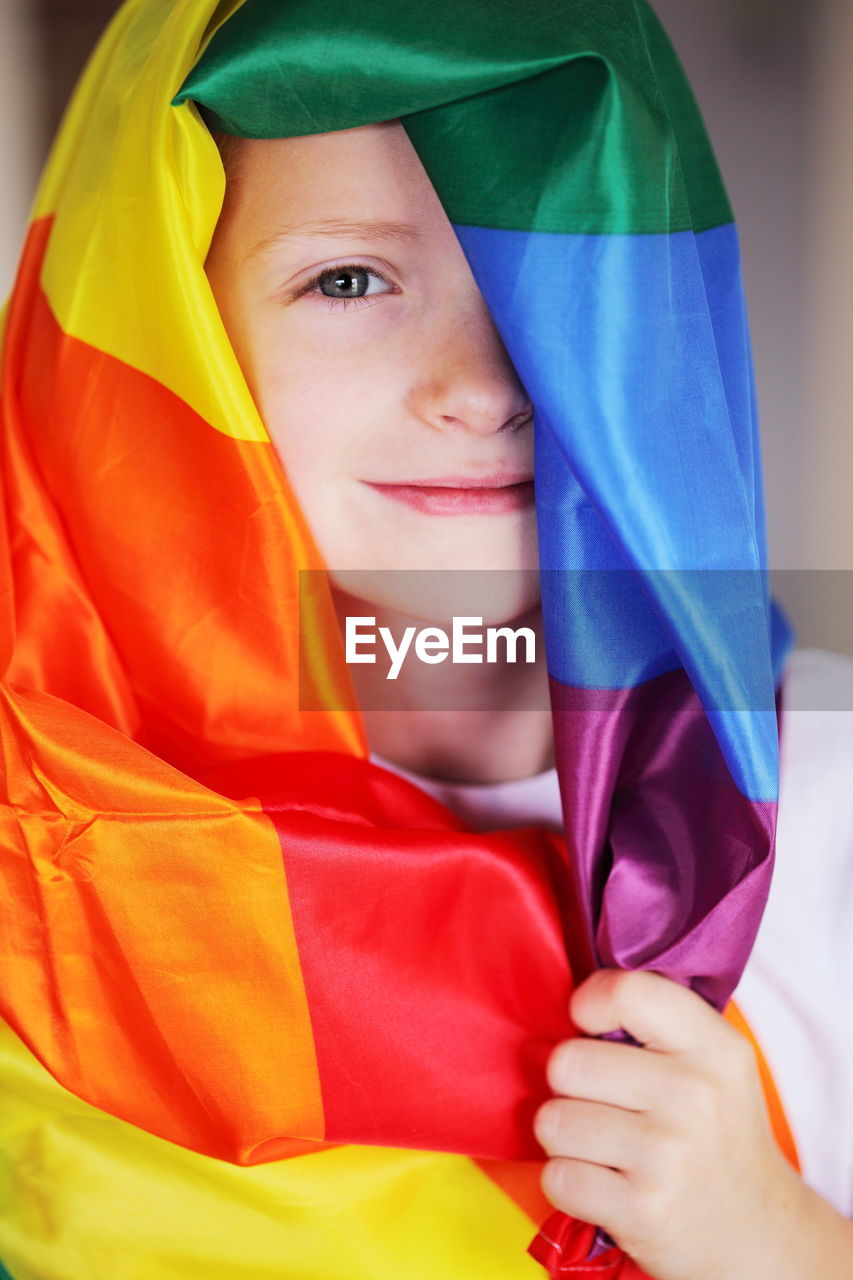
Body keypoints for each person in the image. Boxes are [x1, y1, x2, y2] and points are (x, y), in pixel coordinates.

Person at [0, 3, 851, 1280]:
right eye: (349, 279)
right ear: (176, 328)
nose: (486, 384)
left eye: (555, 279)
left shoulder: (826, 784)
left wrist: (770, 1239)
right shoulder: (43, 812)